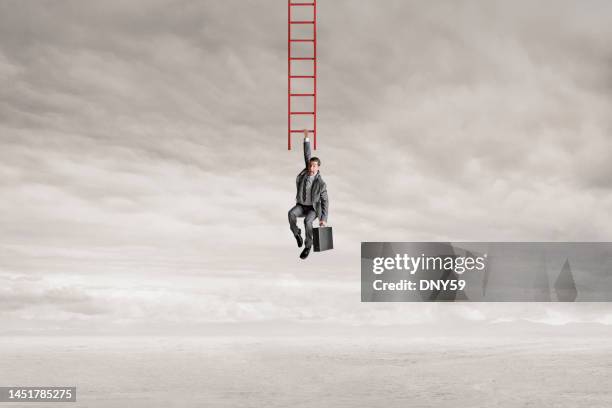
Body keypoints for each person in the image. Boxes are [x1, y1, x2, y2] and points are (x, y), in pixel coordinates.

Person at [288, 129, 329, 259]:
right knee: (291, 214)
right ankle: (297, 234)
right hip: (301, 205)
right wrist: (306, 138)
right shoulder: (306, 171)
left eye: (314, 166)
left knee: (307, 221)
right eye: (310, 165)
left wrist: (323, 219)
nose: (311, 168)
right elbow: (307, 154)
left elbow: (325, 202)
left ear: (318, 168)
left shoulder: (321, 184)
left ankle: (308, 246)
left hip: (312, 209)